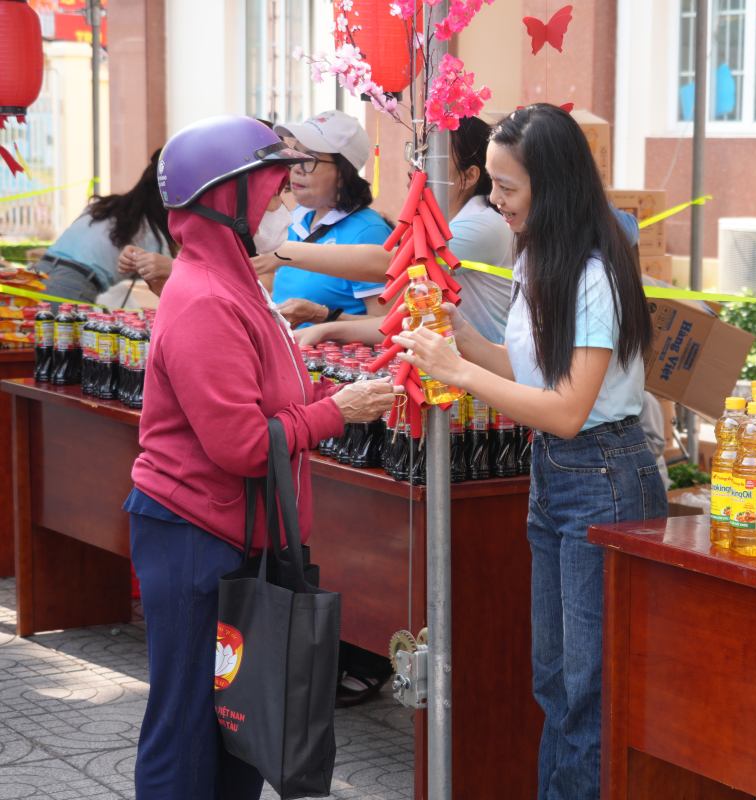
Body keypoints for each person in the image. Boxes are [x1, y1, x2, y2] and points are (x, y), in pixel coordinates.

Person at [394, 104, 667, 800]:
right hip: (557, 473)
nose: (495, 200)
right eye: (492, 183)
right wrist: (463, 339)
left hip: (603, 475)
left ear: (552, 183)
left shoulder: (594, 273)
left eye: (506, 186)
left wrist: (458, 372)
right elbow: (529, 373)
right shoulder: (541, 254)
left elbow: (568, 410)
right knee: (556, 680)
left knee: (587, 688)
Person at [124, 115, 395, 800]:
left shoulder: (235, 283)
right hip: (193, 537)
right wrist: (338, 412)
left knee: (238, 724)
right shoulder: (205, 299)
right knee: (188, 725)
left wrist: (335, 393)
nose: (279, 200)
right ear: (225, 199)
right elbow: (242, 444)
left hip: (236, 534)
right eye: (267, 188)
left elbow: (276, 394)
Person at [256, 116, 516, 346]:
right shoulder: (438, 223)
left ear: (469, 177)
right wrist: (324, 323)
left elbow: (395, 264)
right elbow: (401, 321)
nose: (415, 167)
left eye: (430, 157)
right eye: (415, 152)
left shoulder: (483, 225)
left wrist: (281, 252)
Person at [267, 110, 394, 326]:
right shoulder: (295, 219)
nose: (297, 169)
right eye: (295, 155)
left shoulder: (368, 232)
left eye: (309, 159)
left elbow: (386, 324)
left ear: (343, 173)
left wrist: (321, 315)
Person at [39, 149, 174, 301]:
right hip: (72, 284)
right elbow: (168, 285)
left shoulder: (103, 206)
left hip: (38, 272)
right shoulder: (153, 235)